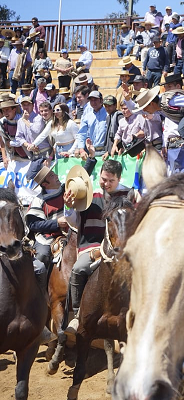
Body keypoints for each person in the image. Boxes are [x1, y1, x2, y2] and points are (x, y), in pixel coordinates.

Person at [65, 156, 138, 333]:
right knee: (78, 269)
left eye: (111, 181)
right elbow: (74, 222)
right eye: (103, 179)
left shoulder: (131, 195)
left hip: (122, 248)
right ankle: (77, 315)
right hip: (91, 245)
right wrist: (68, 207)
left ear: (119, 179)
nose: (106, 183)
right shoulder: (89, 194)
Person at [25, 144, 96, 293]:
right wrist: (56, 223)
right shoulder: (38, 200)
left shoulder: (65, 189)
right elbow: (33, 224)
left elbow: (80, 179)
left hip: (71, 231)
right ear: (44, 183)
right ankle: (39, 292)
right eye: (51, 176)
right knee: (42, 257)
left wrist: (91, 157)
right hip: (48, 238)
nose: (56, 175)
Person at [71, 90, 108, 156]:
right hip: (91, 150)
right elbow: (82, 133)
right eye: (91, 100)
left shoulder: (108, 114)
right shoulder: (87, 116)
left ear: (101, 100)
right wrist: (81, 149)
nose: (93, 102)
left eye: (95, 100)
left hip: (105, 151)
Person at [0, 99, 24, 166]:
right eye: (3, 111)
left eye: (7, 110)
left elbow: (25, 140)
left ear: (14, 110)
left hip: (26, 156)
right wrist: (5, 158)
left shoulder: (22, 120)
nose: (5, 113)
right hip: (12, 157)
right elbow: (3, 141)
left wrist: (11, 143)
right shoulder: (2, 122)